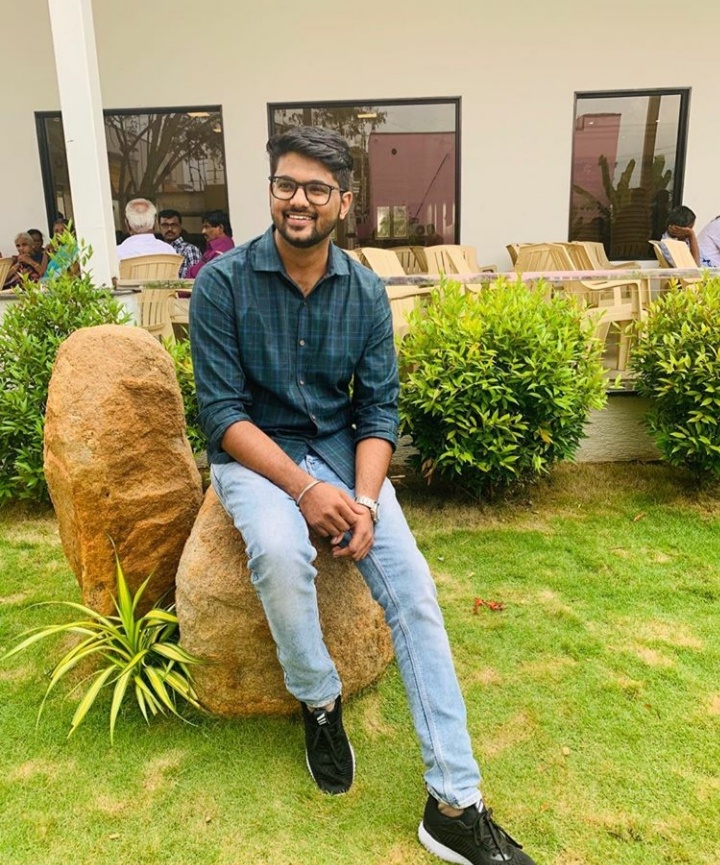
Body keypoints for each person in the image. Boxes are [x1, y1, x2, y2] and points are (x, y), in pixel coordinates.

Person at [190, 126, 538, 865]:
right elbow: (221, 414)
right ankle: (319, 700)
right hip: (254, 453)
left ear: (344, 202)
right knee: (280, 552)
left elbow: (378, 411)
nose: (299, 200)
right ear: (271, 191)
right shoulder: (222, 283)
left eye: (317, 188)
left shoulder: (365, 290)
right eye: (286, 184)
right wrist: (307, 491)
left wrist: (368, 503)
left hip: (342, 450)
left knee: (413, 591)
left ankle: (455, 801)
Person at [186, 209, 234, 278]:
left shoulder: (221, 253)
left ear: (220, 228)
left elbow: (201, 276)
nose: (203, 231)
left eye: (207, 227)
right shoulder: (213, 249)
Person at [157, 209, 202, 278]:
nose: (169, 229)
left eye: (174, 225)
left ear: (180, 227)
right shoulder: (156, 249)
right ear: (159, 228)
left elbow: (195, 279)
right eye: (165, 225)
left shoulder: (190, 250)